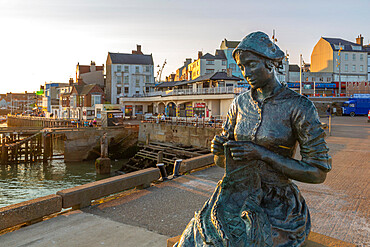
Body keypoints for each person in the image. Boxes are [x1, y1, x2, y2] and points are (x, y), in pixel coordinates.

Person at [175, 32, 331, 247]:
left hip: (278, 206)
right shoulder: (239, 104)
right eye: (241, 66)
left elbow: (317, 173)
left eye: (251, 64)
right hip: (234, 196)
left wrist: (263, 155)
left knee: (247, 240)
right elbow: (223, 163)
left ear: (270, 64)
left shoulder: (300, 107)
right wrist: (219, 152)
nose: (246, 72)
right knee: (194, 239)